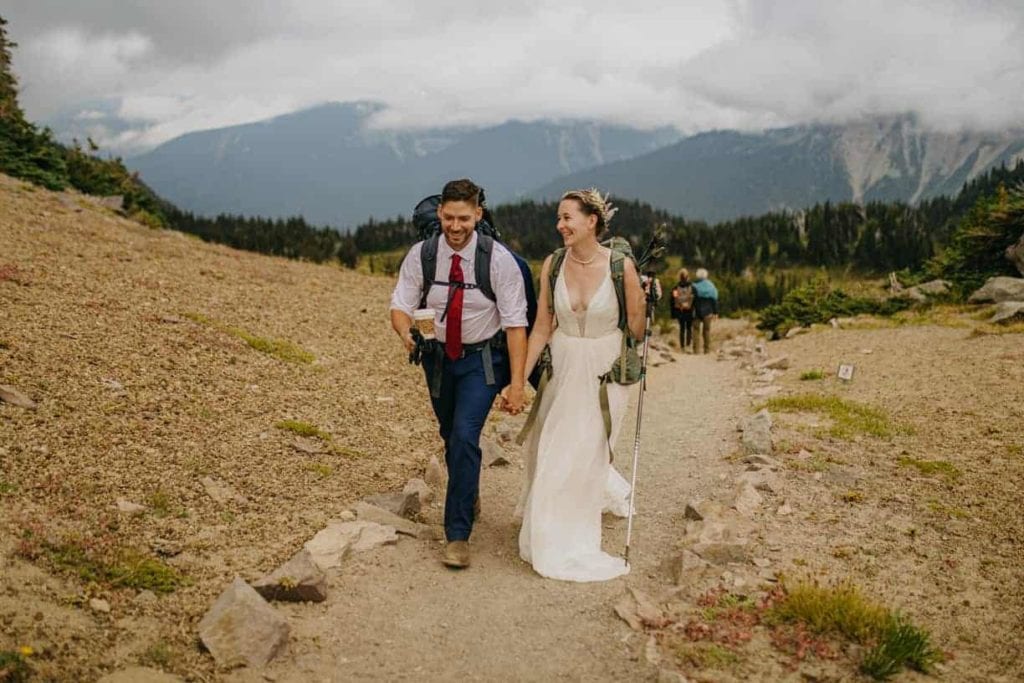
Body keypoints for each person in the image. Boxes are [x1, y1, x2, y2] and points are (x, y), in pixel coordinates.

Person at [515, 188, 654, 582]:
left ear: (591, 220)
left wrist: (645, 300)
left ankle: (568, 535)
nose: (560, 225)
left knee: (586, 450)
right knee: (552, 445)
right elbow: (542, 325)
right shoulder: (553, 264)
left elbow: (638, 330)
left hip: (604, 370)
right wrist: (518, 380)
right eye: (558, 218)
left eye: (567, 217)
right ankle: (547, 528)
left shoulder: (620, 266)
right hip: (561, 365)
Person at [390, 178, 528, 569]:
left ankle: (457, 534)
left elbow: (516, 325)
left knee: (465, 434)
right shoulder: (423, 254)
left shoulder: (497, 261)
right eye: (448, 217)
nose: (455, 226)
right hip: (436, 359)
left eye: (464, 218)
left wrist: (517, 385)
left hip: (482, 361)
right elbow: (400, 303)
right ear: (439, 213)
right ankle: (468, 493)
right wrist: (405, 332)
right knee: (450, 435)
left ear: (478, 215)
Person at [692, 267, 719, 354]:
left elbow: (692, 300)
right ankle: (707, 350)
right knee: (706, 331)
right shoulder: (711, 286)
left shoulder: (694, 286)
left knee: (696, 330)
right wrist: (715, 312)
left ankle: (696, 350)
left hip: (696, 311)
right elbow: (714, 300)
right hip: (708, 311)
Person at [670, 268, 695, 352]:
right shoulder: (692, 287)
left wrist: (673, 313)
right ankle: (688, 345)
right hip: (689, 310)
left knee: (682, 329)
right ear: (687, 276)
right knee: (689, 328)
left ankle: (682, 347)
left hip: (680, 310)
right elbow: (695, 299)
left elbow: (673, 299)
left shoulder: (675, 287)